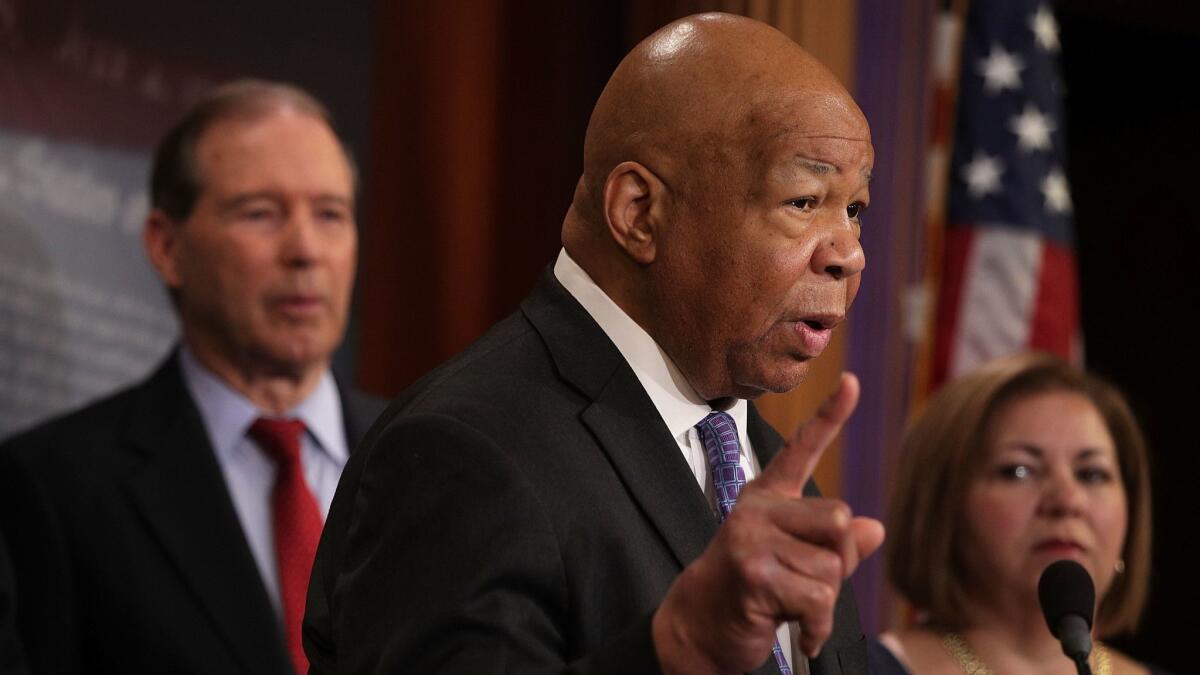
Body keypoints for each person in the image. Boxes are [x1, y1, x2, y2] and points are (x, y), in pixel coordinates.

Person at [306, 13, 882, 675]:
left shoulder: (777, 480)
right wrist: (676, 652)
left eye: (856, 208)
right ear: (639, 212)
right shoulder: (463, 451)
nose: (849, 253)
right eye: (805, 201)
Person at [0, 80, 384, 675]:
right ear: (166, 246)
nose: (306, 249)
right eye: (260, 213)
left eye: (331, 214)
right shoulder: (51, 486)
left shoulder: (431, 457)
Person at [871, 352, 1168, 674]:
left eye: (1092, 474)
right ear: (942, 507)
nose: (1067, 500)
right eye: (1019, 471)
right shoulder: (856, 668)